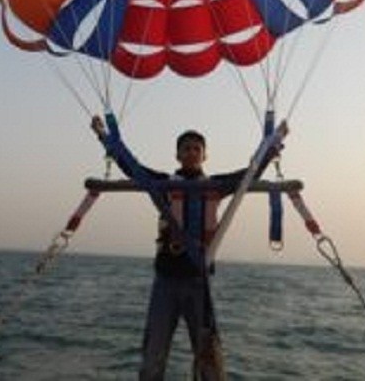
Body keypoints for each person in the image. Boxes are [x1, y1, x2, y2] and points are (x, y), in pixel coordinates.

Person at [91, 113, 281, 380]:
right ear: (177, 155)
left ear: (205, 156)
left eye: (196, 149)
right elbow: (130, 166)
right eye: (186, 149)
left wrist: (274, 143)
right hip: (166, 281)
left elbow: (251, 172)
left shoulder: (217, 186)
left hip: (199, 282)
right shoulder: (163, 184)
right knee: (153, 353)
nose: (191, 153)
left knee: (208, 355)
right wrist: (103, 136)